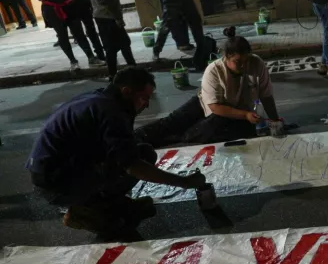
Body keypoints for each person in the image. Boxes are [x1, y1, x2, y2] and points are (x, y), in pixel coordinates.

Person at [27, 67, 206, 234]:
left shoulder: (102, 99)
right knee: (121, 221)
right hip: (56, 183)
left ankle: (108, 202)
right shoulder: (110, 111)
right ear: (126, 92)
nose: (146, 105)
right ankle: (85, 210)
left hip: (62, 169)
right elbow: (133, 166)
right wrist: (183, 182)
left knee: (143, 152)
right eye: (144, 98)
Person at [135, 27, 281, 147]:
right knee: (171, 123)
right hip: (206, 104)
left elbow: (266, 95)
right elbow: (215, 107)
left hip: (230, 115)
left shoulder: (256, 64)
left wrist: (275, 120)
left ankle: (179, 137)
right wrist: (245, 115)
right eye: (238, 62)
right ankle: (134, 138)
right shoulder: (214, 70)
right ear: (226, 57)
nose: (244, 66)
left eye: (246, 60)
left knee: (193, 135)